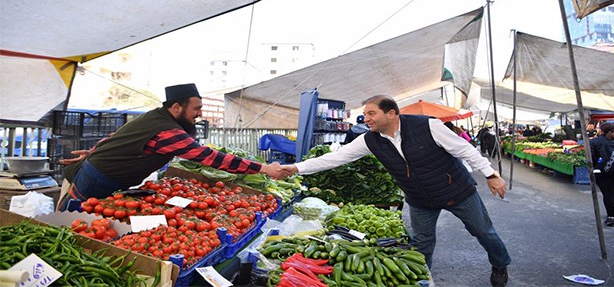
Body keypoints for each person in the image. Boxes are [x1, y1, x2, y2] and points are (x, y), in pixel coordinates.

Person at [279, 95, 511, 287]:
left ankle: (500, 264)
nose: (366, 118)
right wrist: (296, 168)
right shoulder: (368, 140)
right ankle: (421, 279)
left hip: (456, 190)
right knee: (422, 244)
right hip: (420, 199)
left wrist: (491, 175)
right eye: (366, 114)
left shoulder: (428, 126)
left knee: (483, 232)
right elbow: (335, 158)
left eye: (372, 113)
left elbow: (464, 150)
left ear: (391, 113)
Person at [57, 83, 283, 210]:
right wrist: (264, 169)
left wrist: (92, 152)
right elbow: (209, 158)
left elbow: (117, 137)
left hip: (101, 174)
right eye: (196, 109)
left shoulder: (155, 117)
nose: (200, 114)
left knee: (90, 217)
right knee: (74, 220)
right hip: (98, 178)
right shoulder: (168, 131)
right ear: (176, 107)